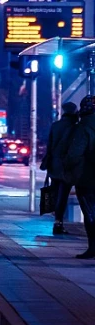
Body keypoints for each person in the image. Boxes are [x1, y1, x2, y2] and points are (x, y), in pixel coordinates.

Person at [40, 102, 78, 235]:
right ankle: (58, 223)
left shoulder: (55, 126)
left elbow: (49, 146)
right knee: (63, 195)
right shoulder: (75, 127)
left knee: (56, 193)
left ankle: (57, 221)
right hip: (67, 166)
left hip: (54, 165)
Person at [64, 95, 95, 259]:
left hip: (88, 178)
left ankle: (93, 248)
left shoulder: (83, 127)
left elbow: (75, 154)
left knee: (90, 213)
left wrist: (70, 169)